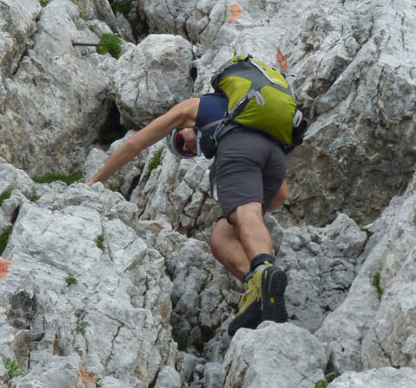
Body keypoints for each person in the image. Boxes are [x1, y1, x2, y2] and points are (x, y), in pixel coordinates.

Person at [87, 92, 289, 336]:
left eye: (181, 142)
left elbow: (133, 144)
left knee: (246, 213)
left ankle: (263, 269)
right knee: (221, 238)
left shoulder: (193, 107)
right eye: (187, 154)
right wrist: (249, 221)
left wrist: (91, 184)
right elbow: (281, 193)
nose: (189, 148)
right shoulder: (244, 111)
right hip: (275, 154)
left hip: (241, 148)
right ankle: (259, 290)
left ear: (181, 127)